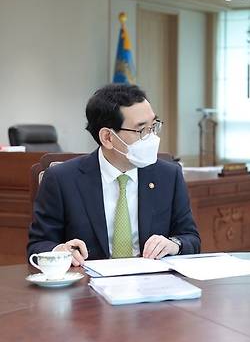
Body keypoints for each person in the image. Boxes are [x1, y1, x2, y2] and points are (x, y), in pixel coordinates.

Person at [27, 84, 200, 266]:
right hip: (87, 286)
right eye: (141, 130)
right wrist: (59, 251)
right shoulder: (62, 179)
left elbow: (191, 238)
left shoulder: (168, 175)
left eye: (154, 126)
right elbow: (38, 245)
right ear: (108, 138)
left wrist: (174, 245)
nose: (152, 137)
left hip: (152, 284)